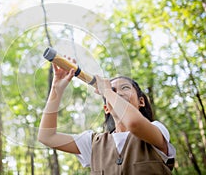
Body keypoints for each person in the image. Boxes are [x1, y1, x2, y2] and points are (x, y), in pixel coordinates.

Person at [38, 61, 176, 174]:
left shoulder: (157, 129)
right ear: (107, 109)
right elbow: (47, 136)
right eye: (114, 90)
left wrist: (108, 91)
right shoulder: (92, 143)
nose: (118, 93)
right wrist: (56, 89)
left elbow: (134, 123)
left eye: (125, 88)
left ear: (141, 101)